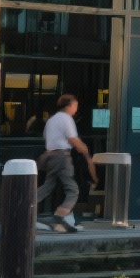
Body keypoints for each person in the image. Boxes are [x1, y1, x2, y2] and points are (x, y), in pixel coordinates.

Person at [37, 94, 97, 233]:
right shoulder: (66, 119)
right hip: (61, 156)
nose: (76, 109)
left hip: (49, 155)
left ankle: (27, 206)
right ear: (69, 106)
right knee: (73, 190)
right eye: (75, 106)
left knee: (48, 185)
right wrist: (84, 149)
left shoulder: (51, 120)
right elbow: (72, 139)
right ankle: (61, 214)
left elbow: (46, 137)